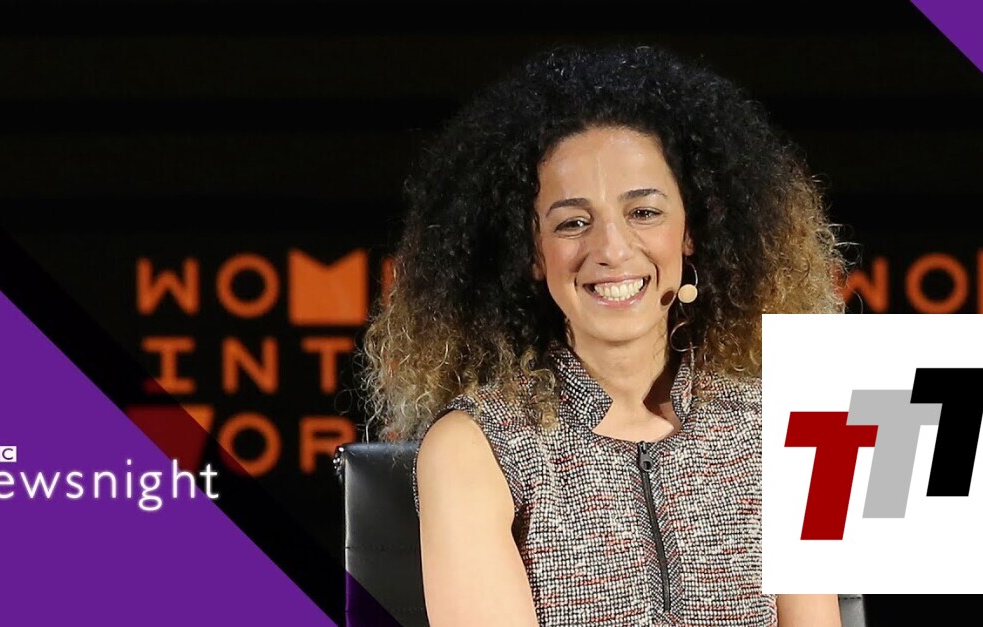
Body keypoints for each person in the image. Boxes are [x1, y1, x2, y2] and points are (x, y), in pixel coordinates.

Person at [360, 44, 845, 626]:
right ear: (533, 253)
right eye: (573, 222)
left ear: (691, 231)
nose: (612, 249)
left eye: (644, 212)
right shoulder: (474, 446)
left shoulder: (776, 426)